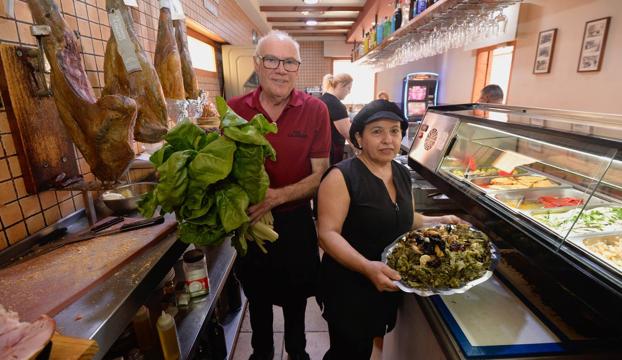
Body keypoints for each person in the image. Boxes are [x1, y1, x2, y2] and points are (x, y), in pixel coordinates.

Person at [316, 100, 465, 359]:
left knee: (369, 342)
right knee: (348, 351)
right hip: (350, 286)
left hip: (385, 281)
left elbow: (404, 218)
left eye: (394, 131)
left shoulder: (400, 172)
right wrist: (367, 267)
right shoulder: (342, 176)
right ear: (359, 138)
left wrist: (439, 220)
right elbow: (327, 234)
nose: (388, 139)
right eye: (377, 131)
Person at [228, 30, 331, 360]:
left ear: (297, 68)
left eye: (289, 62)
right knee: (256, 296)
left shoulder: (315, 110)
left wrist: (276, 197)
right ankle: (262, 353)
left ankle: (298, 352)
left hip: (296, 222)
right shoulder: (233, 110)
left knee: (296, 298)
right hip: (251, 222)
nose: (280, 69)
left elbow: (321, 176)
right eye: (271, 60)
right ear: (258, 64)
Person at [320, 73, 353, 165]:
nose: (349, 92)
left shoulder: (322, 100)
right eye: (348, 88)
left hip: (321, 152)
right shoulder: (336, 105)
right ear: (341, 86)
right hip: (331, 153)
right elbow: (349, 134)